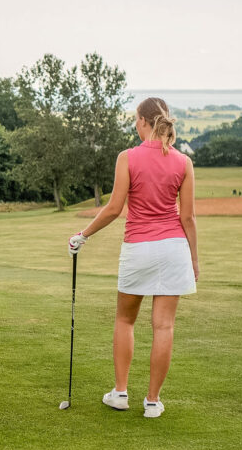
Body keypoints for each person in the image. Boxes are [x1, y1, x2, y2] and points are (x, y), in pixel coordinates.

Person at [67, 98, 198, 418]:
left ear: (144, 122)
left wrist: (82, 235)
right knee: (163, 326)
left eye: (136, 121)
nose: (134, 126)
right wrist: (194, 261)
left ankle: (121, 393)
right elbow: (189, 218)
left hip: (138, 248)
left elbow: (114, 208)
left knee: (125, 319)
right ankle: (152, 402)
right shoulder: (183, 162)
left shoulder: (127, 157)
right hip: (174, 249)